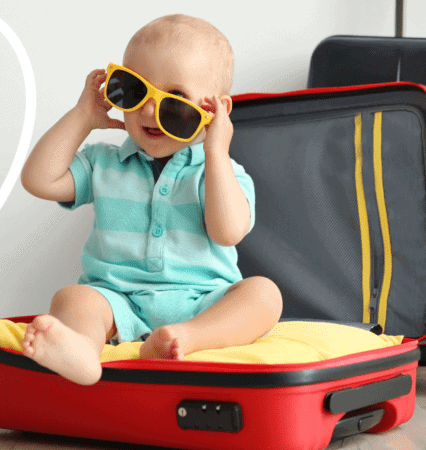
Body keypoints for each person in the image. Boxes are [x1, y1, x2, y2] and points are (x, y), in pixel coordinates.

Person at [20, 14, 282, 385]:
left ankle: (184, 339)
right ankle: (81, 349)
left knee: (264, 295)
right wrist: (82, 116)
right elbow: (38, 180)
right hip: (117, 299)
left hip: (203, 302)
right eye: (135, 90)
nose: (147, 111)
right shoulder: (103, 163)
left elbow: (228, 232)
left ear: (215, 111)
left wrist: (217, 152)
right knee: (74, 297)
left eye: (174, 101)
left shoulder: (223, 172)